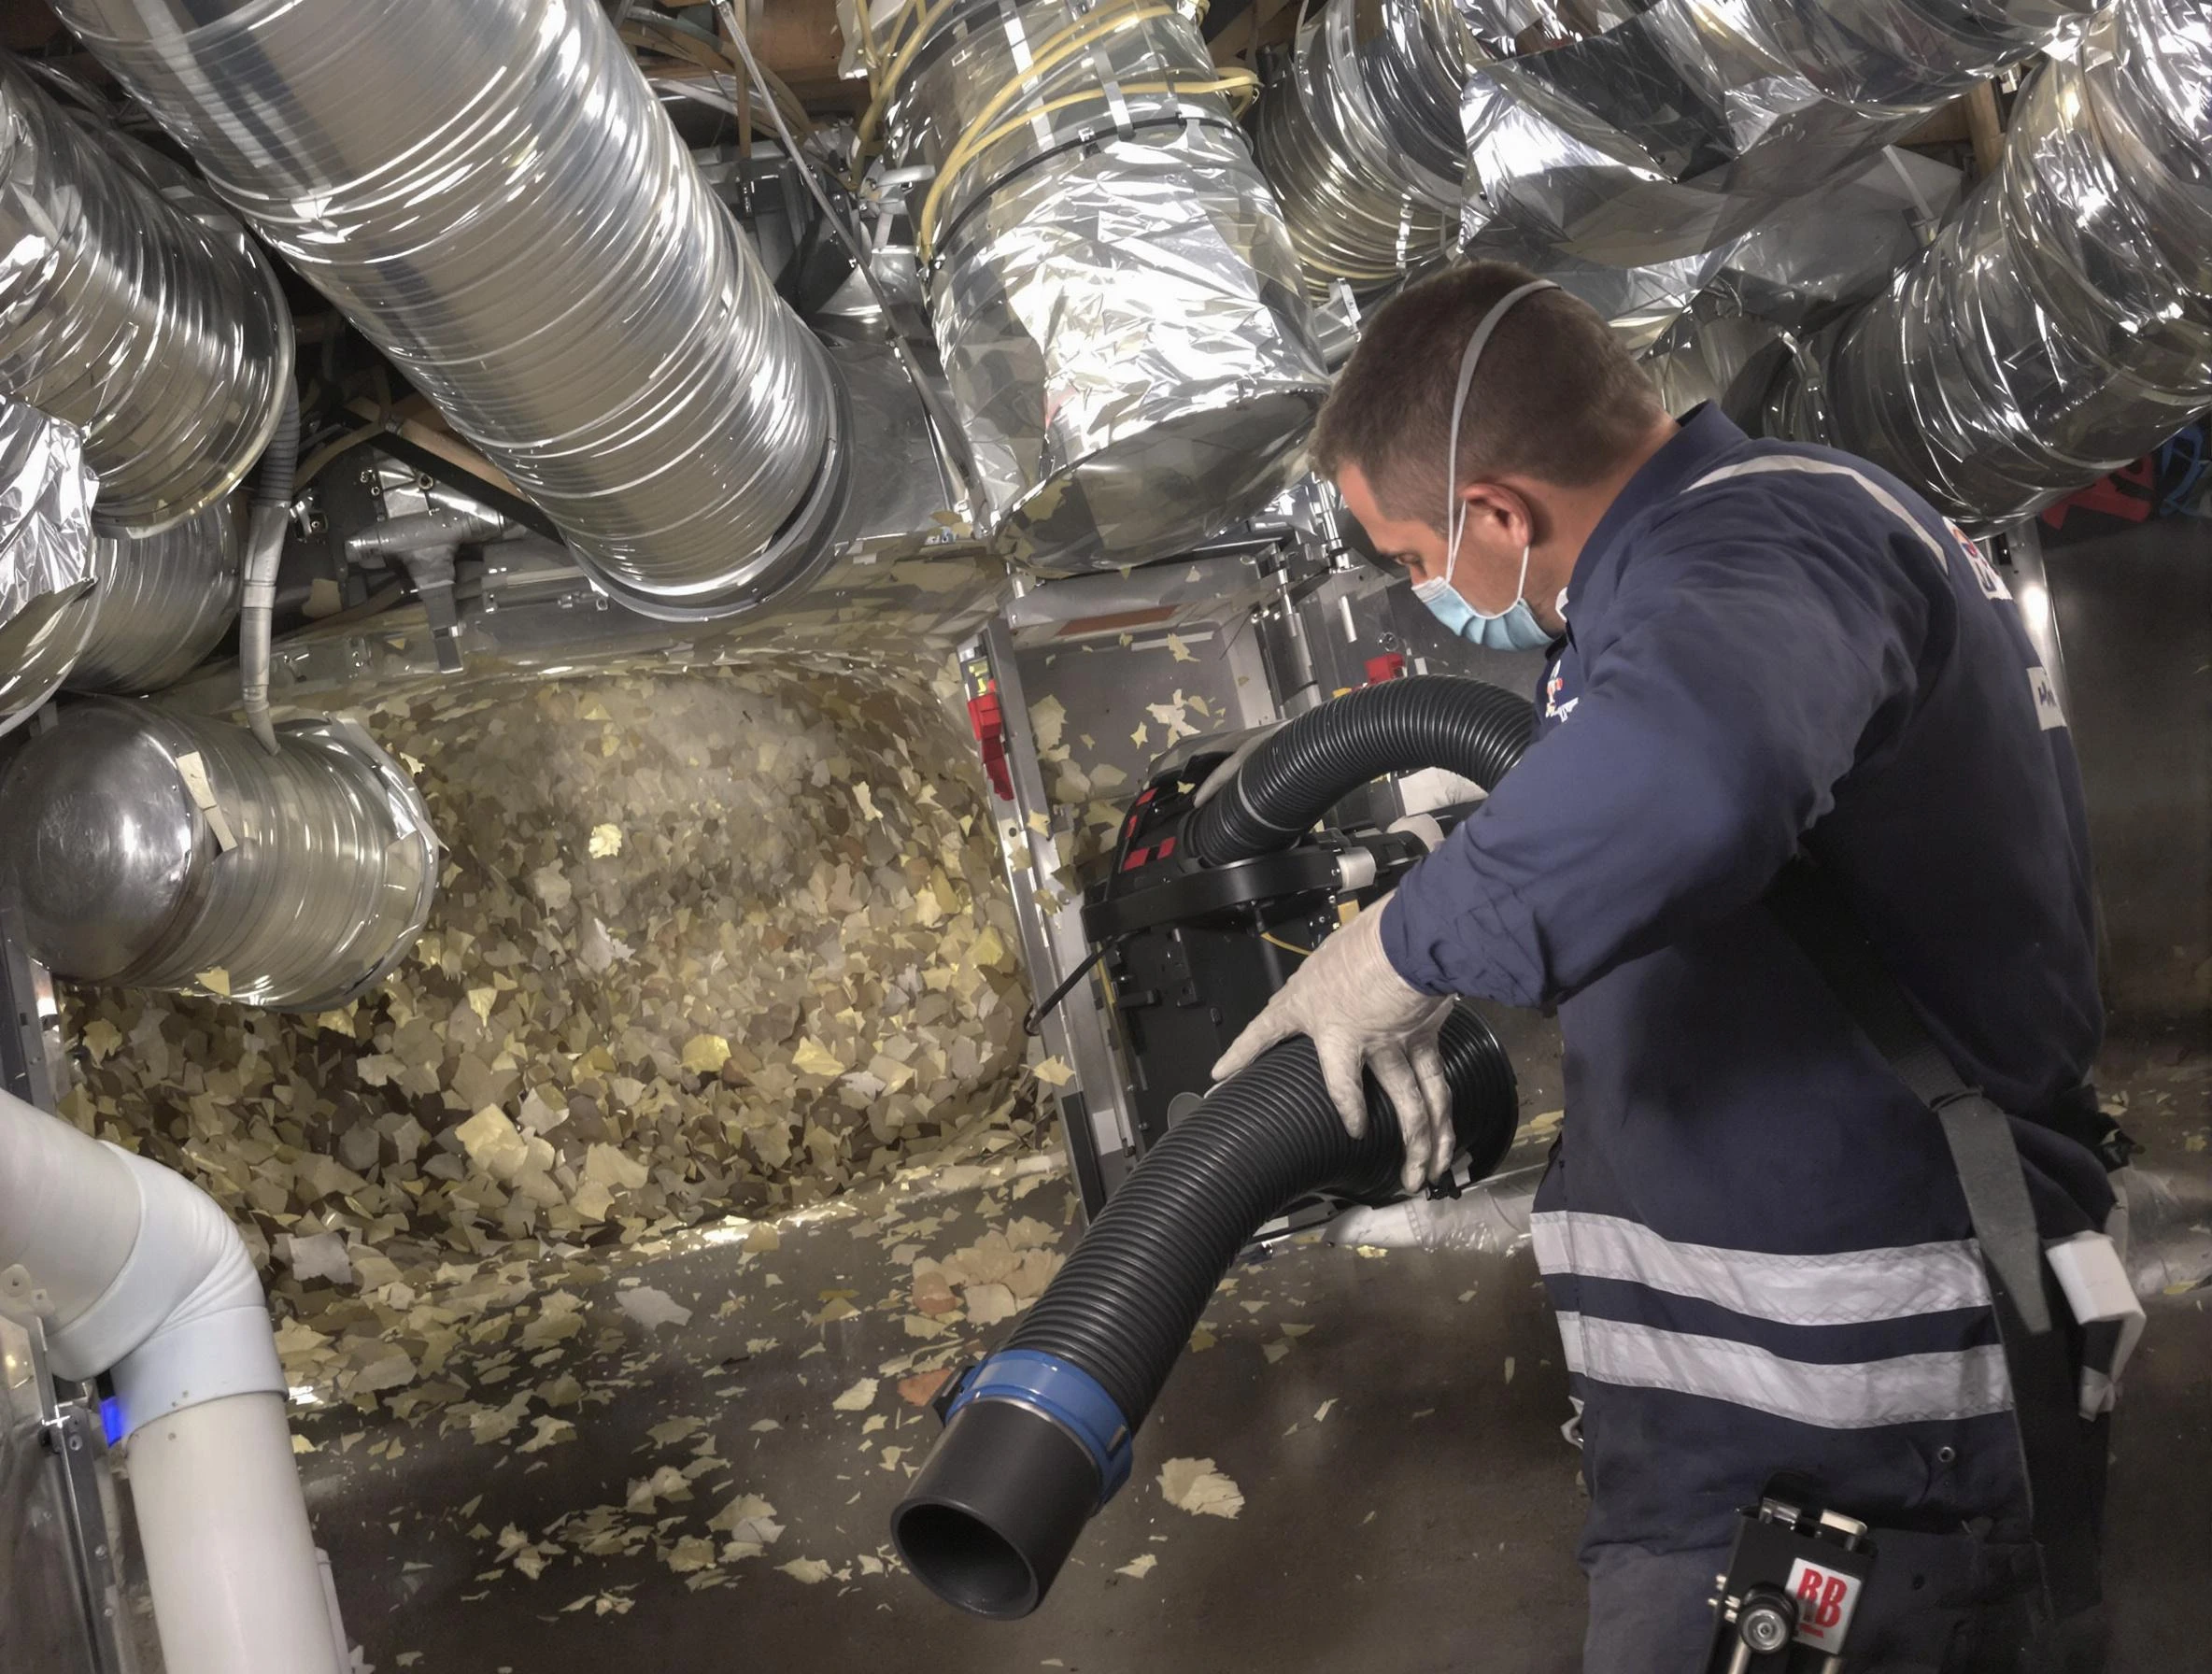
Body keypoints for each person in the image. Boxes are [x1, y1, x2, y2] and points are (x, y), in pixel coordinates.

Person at [1212, 262, 2131, 1672]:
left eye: (1410, 559)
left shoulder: (1764, 543)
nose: (1424, 596)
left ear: (1498, 515)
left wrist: (1398, 954)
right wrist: (1489, 837)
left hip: (1862, 1426)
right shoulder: (1748, 541)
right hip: (1771, 1410)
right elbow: (1766, 810)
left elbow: (1703, 775)